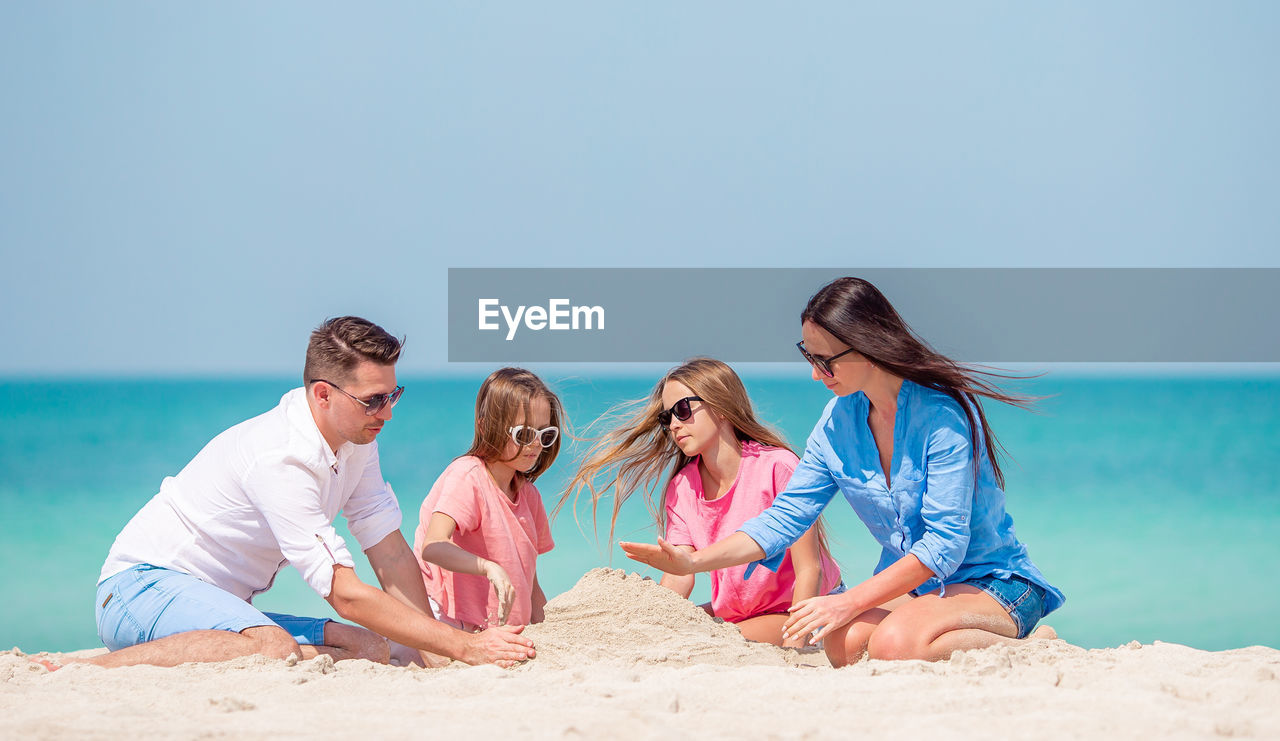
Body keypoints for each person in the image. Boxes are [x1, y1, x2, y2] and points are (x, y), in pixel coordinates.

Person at [622, 278, 1065, 666]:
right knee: (841, 640)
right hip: (918, 590)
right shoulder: (837, 424)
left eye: (824, 360)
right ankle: (926, 631)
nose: (816, 375)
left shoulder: (942, 416)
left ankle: (1024, 644)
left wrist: (849, 600)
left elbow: (944, 547)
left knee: (893, 644)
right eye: (808, 357)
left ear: (868, 345)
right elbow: (782, 519)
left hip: (992, 581)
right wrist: (694, 561)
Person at [77, 317, 535, 669]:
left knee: (370, 645)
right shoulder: (281, 458)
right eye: (374, 400)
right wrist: (464, 645)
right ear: (323, 394)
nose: (386, 414)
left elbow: (389, 551)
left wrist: (435, 646)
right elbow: (345, 594)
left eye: (393, 396)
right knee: (271, 648)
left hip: (217, 603)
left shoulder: (355, 441)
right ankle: (84, 671)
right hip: (139, 588)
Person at [566, 358, 842, 647]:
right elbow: (680, 576)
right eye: (667, 417)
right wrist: (653, 617)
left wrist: (794, 649)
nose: (674, 425)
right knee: (661, 635)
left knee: (705, 641)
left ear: (721, 407)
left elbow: (810, 569)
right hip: (743, 614)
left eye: (683, 410)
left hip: (804, 609)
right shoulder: (682, 487)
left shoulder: (777, 467)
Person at [414, 368, 560, 634]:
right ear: (486, 426)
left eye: (545, 434)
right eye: (524, 435)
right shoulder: (468, 476)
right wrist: (488, 568)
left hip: (500, 630)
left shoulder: (529, 496)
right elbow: (433, 545)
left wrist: (547, 630)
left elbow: (531, 583)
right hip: (452, 622)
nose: (536, 445)